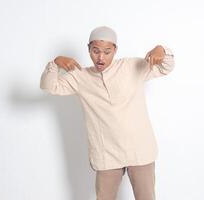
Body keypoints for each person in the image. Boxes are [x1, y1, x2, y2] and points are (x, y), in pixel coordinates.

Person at [40, 25, 175, 200]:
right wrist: (55, 63)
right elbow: (48, 86)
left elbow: (166, 67)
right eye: (96, 51)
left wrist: (161, 49)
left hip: (140, 150)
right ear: (88, 49)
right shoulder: (80, 77)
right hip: (107, 155)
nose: (101, 57)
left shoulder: (131, 66)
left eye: (107, 51)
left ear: (115, 50)